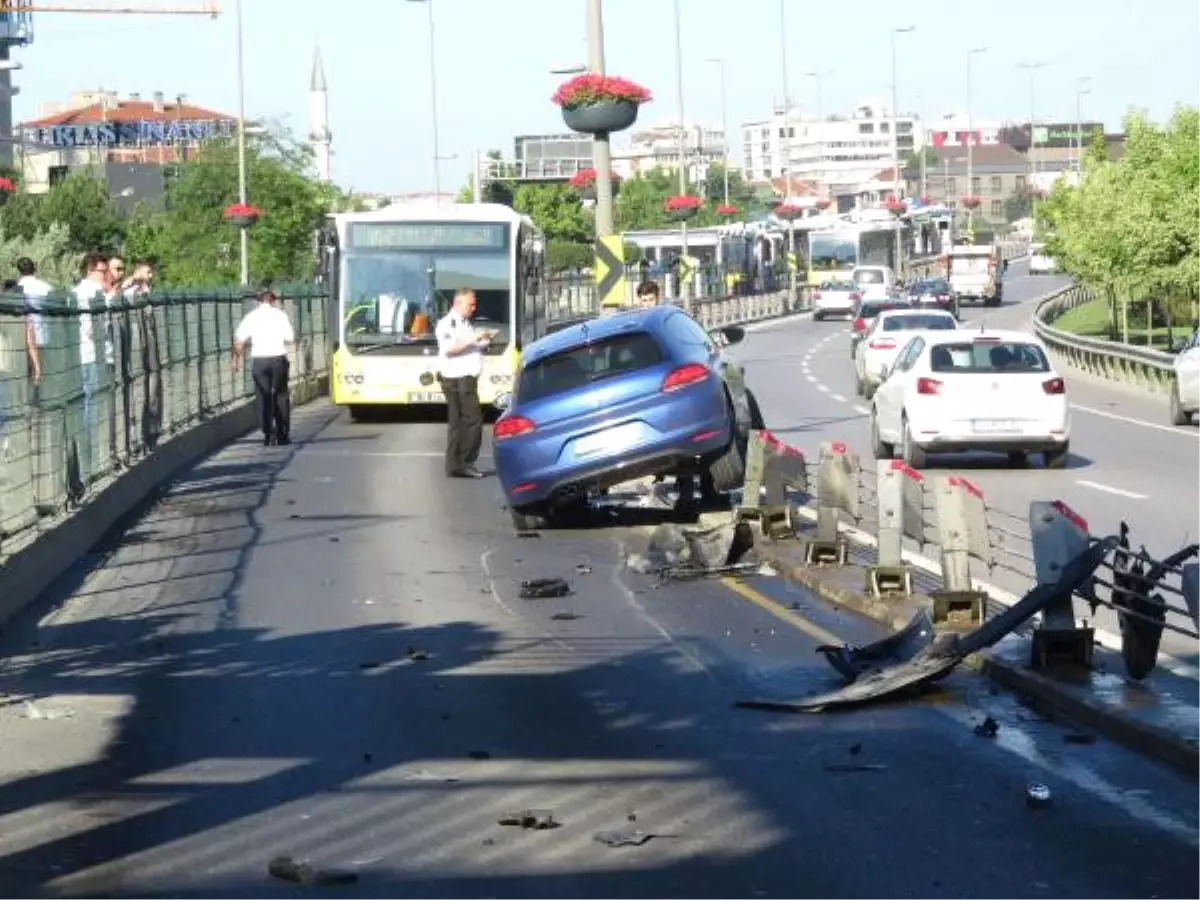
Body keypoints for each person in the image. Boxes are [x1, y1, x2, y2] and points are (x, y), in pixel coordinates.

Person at [435, 287, 490, 479]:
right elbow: (450, 348)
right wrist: (474, 339)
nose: (474, 308)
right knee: (473, 421)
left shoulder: (465, 323)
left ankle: (455, 465)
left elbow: (466, 346)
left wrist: (481, 345)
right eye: (470, 304)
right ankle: (465, 462)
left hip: (466, 378)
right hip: (458, 379)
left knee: (458, 423)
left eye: (474, 304)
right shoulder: (447, 323)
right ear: (458, 303)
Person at [231, 286, 295, 446]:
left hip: (260, 361)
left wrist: (235, 360)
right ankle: (282, 434)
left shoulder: (251, 317)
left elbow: (239, 341)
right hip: (278, 359)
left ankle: (268, 433)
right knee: (281, 395)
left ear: (258, 300)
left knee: (263, 396)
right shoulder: (280, 315)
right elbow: (290, 337)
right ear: (272, 299)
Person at [16, 257, 49, 389]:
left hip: (24, 336)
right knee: (44, 373)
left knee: (28, 372)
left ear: (19, 270)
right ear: (34, 268)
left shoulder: (17, 289)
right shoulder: (45, 287)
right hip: (44, 334)